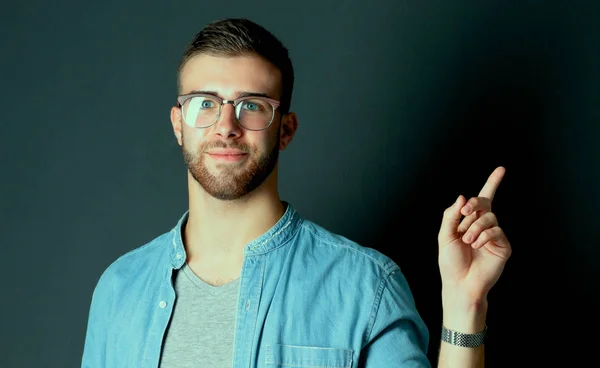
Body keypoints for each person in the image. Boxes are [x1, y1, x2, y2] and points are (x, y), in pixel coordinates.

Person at [81, 18, 512, 368]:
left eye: (251, 105)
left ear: (285, 129)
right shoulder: (120, 290)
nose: (225, 125)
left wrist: (464, 305)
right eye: (204, 103)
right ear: (178, 124)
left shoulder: (365, 287)